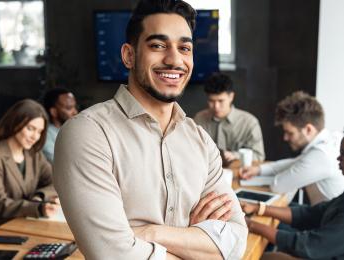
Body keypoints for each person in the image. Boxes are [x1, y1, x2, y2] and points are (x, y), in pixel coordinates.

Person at [53, 0, 247, 259]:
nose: (174, 59)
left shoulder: (200, 140)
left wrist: (149, 233)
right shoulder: (87, 134)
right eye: (158, 45)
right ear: (129, 55)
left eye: (184, 48)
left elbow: (235, 242)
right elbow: (114, 255)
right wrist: (196, 240)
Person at [240, 136, 344, 260]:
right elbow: (312, 214)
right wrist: (257, 208)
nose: (338, 158)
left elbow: (307, 246)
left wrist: (251, 225)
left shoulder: (321, 153)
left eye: (343, 154)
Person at [239, 91, 344, 205]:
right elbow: (297, 162)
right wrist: (259, 170)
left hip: (325, 220)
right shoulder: (331, 138)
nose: (285, 138)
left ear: (308, 129)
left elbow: (278, 186)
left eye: (290, 133)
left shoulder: (321, 155)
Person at [0, 99, 58, 231]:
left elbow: (56, 182)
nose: (35, 137)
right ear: (16, 123)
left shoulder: (34, 154)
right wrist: (36, 207)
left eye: (39, 131)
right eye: (30, 129)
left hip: (26, 223)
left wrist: (40, 196)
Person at [194, 72, 265, 164]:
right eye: (211, 101)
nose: (216, 106)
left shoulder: (249, 122)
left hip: (238, 173)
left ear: (231, 97)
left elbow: (259, 156)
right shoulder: (199, 119)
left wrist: (235, 155)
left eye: (220, 101)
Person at [42, 88, 78, 162]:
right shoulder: (45, 135)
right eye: (69, 108)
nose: (75, 112)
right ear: (53, 112)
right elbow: (63, 162)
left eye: (75, 107)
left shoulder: (75, 130)